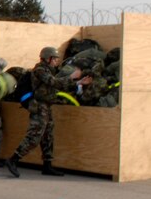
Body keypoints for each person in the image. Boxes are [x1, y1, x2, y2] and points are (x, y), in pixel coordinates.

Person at [6, 47, 91, 177]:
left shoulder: (49, 70)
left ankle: (47, 166)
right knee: (34, 136)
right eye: (55, 58)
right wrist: (71, 77)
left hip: (46, 106)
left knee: (48, 137)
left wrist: (78, 82)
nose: (57, 61)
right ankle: (13, 159)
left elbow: (56, 86)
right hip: (39, 107)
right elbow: (54, 82)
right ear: (47, 58)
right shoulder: (40, 70)